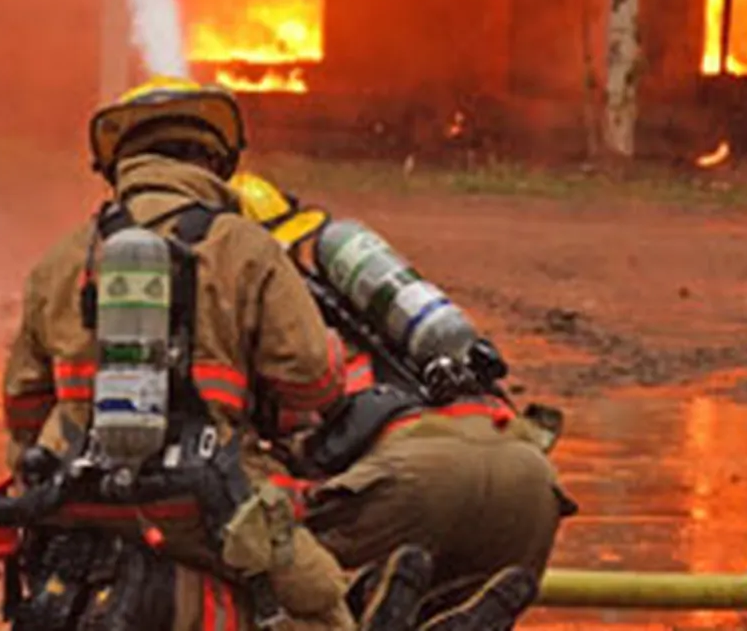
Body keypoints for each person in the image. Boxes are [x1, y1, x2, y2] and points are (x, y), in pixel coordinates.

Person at [0, 78, 358, 630]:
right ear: (213, 162)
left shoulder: (62, 260)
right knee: (321, 598)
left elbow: (22, 410)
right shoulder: (245, 248)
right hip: (208, 507)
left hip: (78, 500)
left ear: (122, 165)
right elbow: (314, 383)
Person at [227, 171, 576, 630]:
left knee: (259, 552)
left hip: (411, 480)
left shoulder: (268, 319)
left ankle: (373, 602)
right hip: (527, 477)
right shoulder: (387, 312)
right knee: (436, 604)